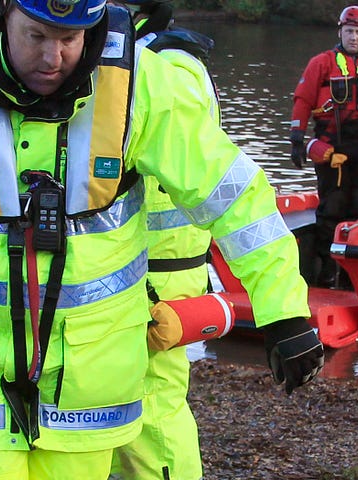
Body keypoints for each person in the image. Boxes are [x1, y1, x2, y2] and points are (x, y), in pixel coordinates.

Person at [0, 0, 325, 477]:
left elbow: (235, 198)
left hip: (92, 369)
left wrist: (284, 312)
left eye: (70, 39)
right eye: (36, 36)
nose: (52, 58)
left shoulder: (140, 83)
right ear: (3, 12)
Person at [108, 1, 216, 478]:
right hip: (145, 266)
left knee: (154, 407)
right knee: (120, 402)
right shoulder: (152, 57)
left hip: (159, 274)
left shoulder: (167, 67)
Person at [289, 5, 358, 288]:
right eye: (349, 31)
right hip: (330, 143)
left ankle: (351, 274)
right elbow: (302, 99)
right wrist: (298, 138)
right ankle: (325, 269)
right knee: (332, 206)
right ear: (340, 32)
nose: (353, 37)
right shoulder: (321, 64)